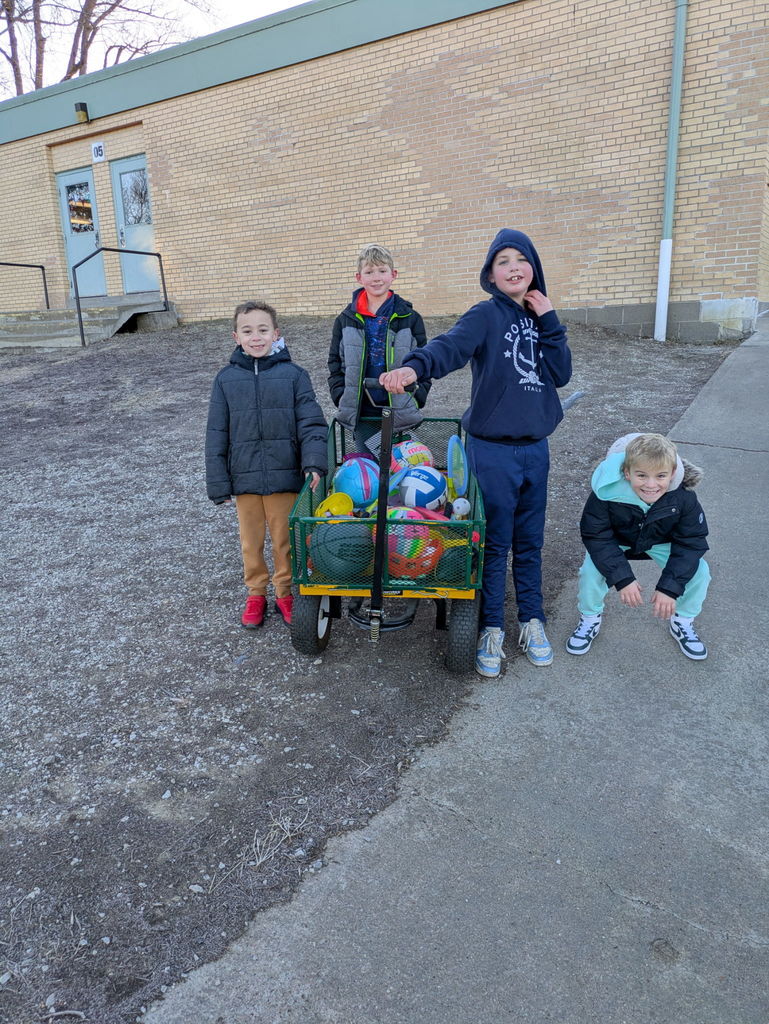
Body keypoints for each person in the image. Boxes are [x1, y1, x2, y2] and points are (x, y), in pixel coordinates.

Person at [380, 228, 572, 677]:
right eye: (503, 261)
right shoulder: (486, 315)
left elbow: (560, 373)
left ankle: (531, 620)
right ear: (491, 273)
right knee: (493, 543)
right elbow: (451, 346)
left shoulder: (541, 318)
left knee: (530, 543)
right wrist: (414, 367)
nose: (513, 267)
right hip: (492, 452)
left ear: (533, 269)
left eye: (520, 259)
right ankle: (490, 627)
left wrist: (550, 321)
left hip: (535, 451)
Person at [206, 300, 327, 629]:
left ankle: (284, 592)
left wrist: (313, 464)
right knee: (251, 541)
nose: (256, 337)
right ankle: (256, 592)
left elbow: (312, 425)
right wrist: (219, 483)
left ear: (276, 334)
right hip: (244, 479)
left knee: (284, 539)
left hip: (284, 476)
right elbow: (216, 432)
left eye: (262, 330)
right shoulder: (225, 380)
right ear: (236, 336)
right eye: (248, 331)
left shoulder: (294, 376)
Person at [567, 432, 710, 660]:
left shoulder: (683, 498)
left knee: (700, 571)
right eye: (641, 475)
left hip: (661, 541)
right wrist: (623, 578)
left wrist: (669, 588)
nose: (651, 485)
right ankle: (590, 617)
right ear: (627, 473)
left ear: (673, 474)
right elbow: (597, 536)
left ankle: (682, 620)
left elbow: (691, 542)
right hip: (618, 541)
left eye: (661, 476)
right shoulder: (605, 493)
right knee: (591, 571)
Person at [328, 243, 430, 452]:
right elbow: (335, 362)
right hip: (363, 410)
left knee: (402, 469)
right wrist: (341, 396)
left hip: (399, 408)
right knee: (369, 472)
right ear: (359, 277)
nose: (376, 277)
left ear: (393, 274)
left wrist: (417, 397)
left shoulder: (410, 318)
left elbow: (424, 362)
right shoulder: (345, 320)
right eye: (369, 272)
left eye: (382, 271)